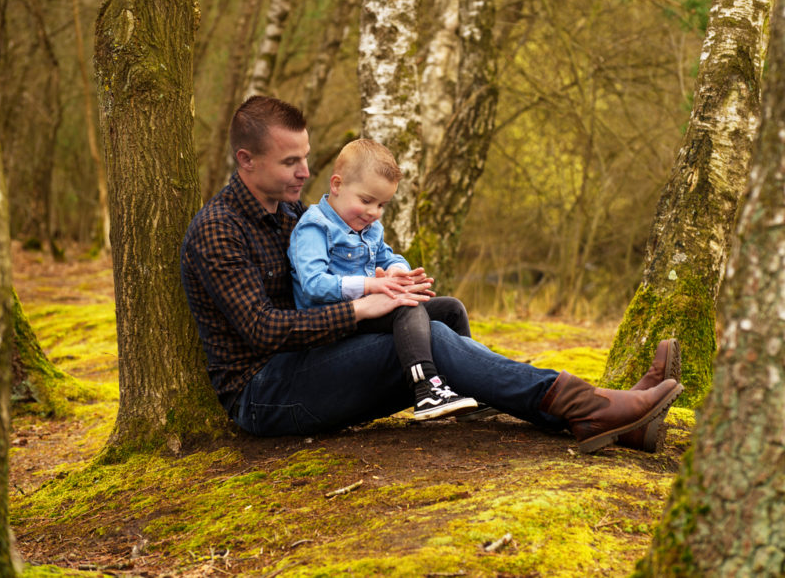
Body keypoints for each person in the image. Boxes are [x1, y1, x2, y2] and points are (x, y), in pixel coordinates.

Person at [180, 95, 683, 454]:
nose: (304, 172)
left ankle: (614, 421)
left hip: (314, 360)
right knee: (428, 341)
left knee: (434, 314)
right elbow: (263, 329)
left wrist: (391, 281)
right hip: (266, 393)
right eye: (290, 161)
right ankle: (593, 405)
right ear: (246, 160)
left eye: (306, 157)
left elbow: (352, 264)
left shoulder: (291, 214)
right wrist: (362, 306)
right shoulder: (218, 230)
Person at [288, 138, 477, 420]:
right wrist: (370, 285)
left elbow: (387, 257)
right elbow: (313, 284)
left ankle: (469, 382)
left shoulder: (369, 227)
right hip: (333, 324)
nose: (374, 212)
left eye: (382, 205)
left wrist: (397, 271)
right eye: (366, 201)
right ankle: (425, 388)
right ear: (337, 185)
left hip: (370, 314)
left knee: (451, 308)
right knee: (404, 306)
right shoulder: (315, 227)